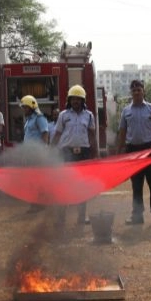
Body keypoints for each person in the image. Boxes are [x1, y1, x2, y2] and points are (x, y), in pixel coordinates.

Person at [116, 79, 151, 225]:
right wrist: (119, 153)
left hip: (150, 150)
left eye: (139, 90)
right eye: (134, 90)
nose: (136, 92)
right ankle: (137, 216)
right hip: (132, 152)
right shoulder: (126, 111)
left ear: (144, 91)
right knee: (136, 185)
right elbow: (122, 133)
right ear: (131, 93)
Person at [51, 84, 98, 225]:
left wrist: (95, 154)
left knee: (82, 186)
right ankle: (61, 218)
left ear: (83, 100)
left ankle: (81, 217)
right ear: (69, 100)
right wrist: (50, 150)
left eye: (78, 99)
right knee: (64, 185)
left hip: (84, 153)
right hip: (66, 153)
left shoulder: (89, 116)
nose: (75, 101)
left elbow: (92, 136)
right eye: (73, 99)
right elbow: (57, 134)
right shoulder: (63, 115)